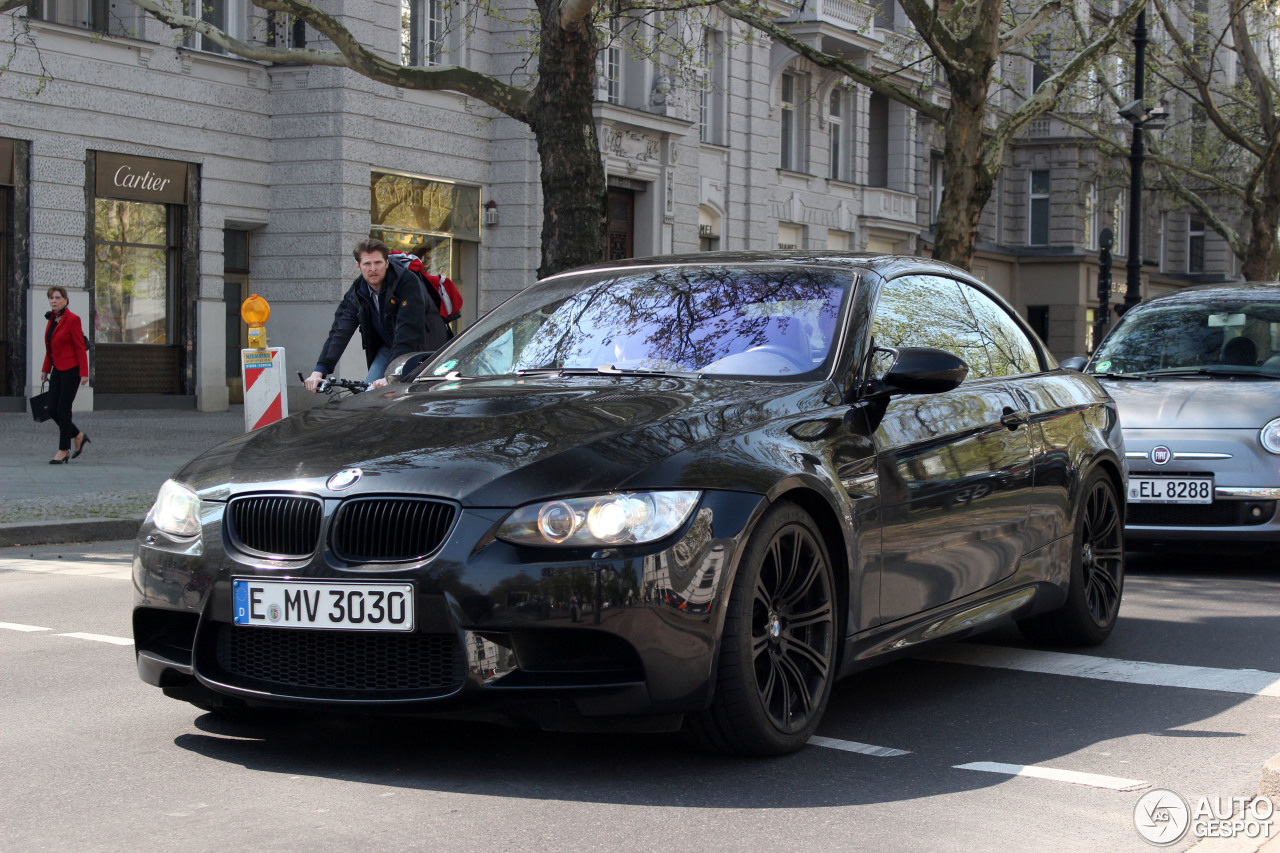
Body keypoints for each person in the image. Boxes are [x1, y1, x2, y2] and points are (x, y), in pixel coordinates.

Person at [304, 238, 429, 393]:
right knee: (369, 393)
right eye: (367, 264)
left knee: (409, 398)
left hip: (422, 349)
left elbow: (408, 331)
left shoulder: (407, 282)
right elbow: (340, 330)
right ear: (358, 266)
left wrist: (392, 375)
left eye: (378, 263)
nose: (373, 269)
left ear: (387, 263)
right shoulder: (358, 291)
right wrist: (319, 370)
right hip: (388, 348)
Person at [41, 286, 90, 464]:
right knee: (52, 409)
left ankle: (63, 450)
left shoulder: (73, 319)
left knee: (63, 409)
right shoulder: (52, 320)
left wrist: (84, 373)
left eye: (57, 297)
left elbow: (79, 347)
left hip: (72, 370)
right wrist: (45, 369)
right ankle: (78, 435)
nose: (53, 301)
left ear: (65, 300)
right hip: (57, 370)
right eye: (51, 298)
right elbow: (50, 348)